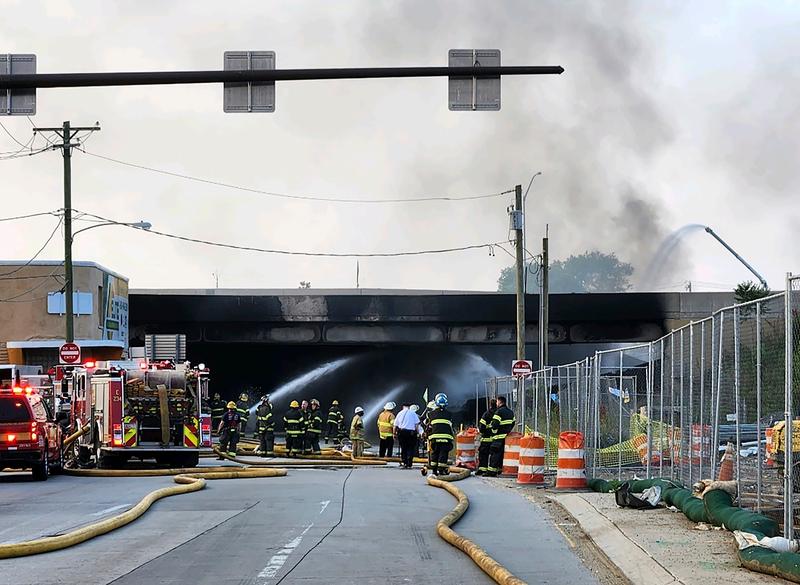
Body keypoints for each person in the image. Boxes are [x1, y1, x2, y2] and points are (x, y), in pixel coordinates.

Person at [486, 395, 516, 477]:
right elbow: (513, 422)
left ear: (499, 402)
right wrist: (508, 430)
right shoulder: (510, 412)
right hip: (506, 438)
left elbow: (494, 424)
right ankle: (499, 470)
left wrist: (494, 432)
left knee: (494, 454)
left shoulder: (498, 412)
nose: (496, 403)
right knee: (502, 455)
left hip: (498, 437)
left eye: (497, 401)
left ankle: (491, 472)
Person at [428, 393, 455, 476]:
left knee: (435, 453)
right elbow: (450, 426)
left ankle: (434, 471)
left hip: (434, 439)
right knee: (443, 454)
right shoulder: (449, 414)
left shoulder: (431, 414)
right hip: (446, 439)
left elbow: (428, 426)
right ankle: (441, 470)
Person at [393, 402, 421, 468]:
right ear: (409, 407)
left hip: (402, 433)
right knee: (411, 448)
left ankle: (404, 462)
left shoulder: (400, 413)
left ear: (403, 407)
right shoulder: (413, 413)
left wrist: (394, 434)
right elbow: (417, 425)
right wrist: (418, 433)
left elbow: (395, 425)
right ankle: (409, 463)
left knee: (403, 448)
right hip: (411, 433)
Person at [476, 399, 497, 475]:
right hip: (496, 439)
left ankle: (482, 469)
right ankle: (494, 470)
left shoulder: (486, 414)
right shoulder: (498, 413)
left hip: (486, 439)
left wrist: (482, 432)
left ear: (490, 405)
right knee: (494, 456)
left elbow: (481, 427)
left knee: (483, 454)